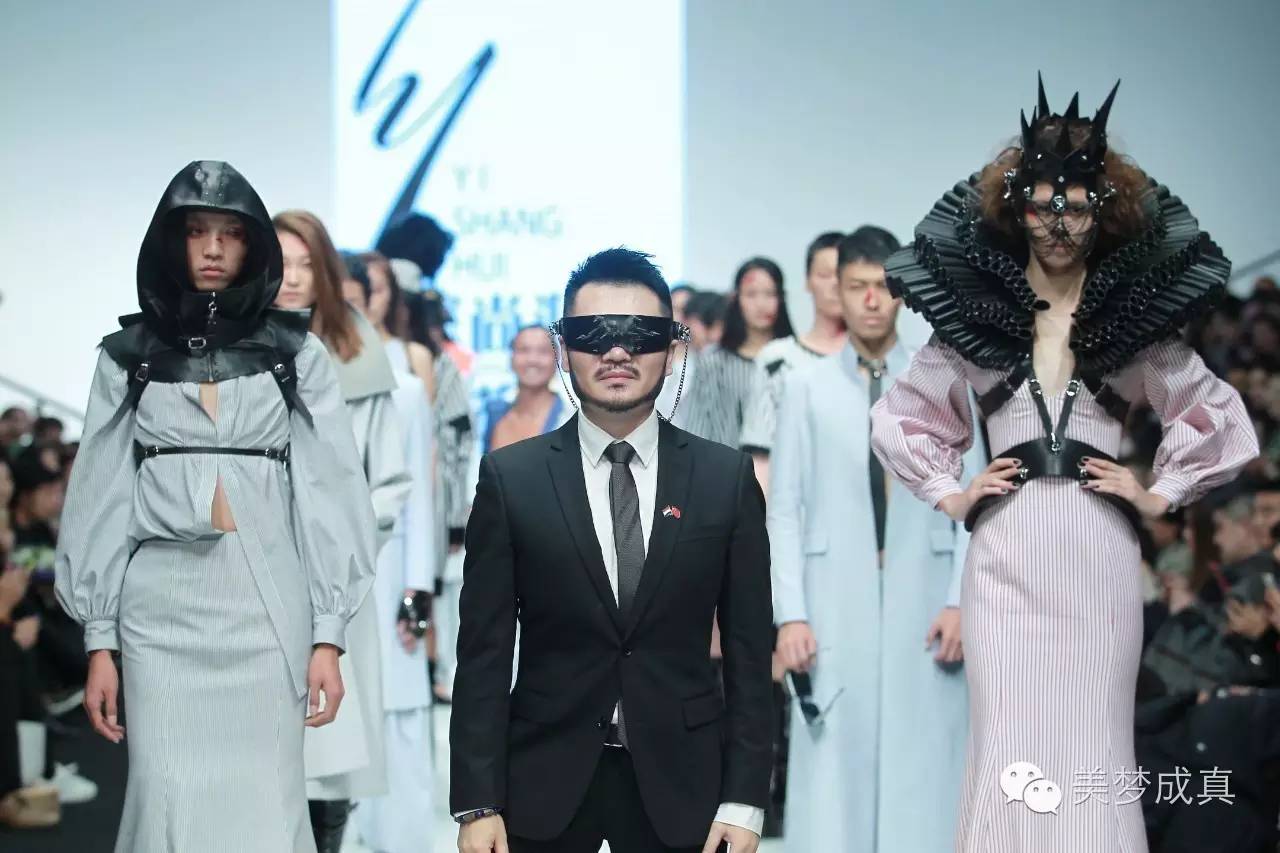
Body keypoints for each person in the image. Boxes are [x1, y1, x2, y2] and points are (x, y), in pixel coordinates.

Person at [870, 79, 1257, 851]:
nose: (1058, 223)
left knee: (1094, 744)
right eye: (1043, 204)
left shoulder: (1133, 320)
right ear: (1016, 209)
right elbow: (899, 415)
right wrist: (952, 494)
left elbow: (1219, 416)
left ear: (1102, 212)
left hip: (1098, 558)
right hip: (1003, 558)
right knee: (1007, 744)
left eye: (1076, 206)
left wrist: (1160, 493)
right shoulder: (975, 315)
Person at [54, 160, 377, 852]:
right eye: (195, 231)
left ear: (251, 244)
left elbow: (330, 490)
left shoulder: (296, 354)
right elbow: (100, 494)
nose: (211, 248)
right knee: (163, 794)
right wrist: (100, 637)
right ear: (170, 242)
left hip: (267, 607)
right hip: (159, 615)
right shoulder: (127, 357)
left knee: (268, 799)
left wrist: (329, 634)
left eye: (228, 234)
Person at [450, 248, 774, 853]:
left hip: (686, 788)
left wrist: (745, 799)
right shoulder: (510, 479)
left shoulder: (723, 479)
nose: (617, 352)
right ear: (563, 347)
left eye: (640, 334)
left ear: (671, 347)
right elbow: (483, 654)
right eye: (593, 334)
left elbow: (750, 654)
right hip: (539, 782)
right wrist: (476, 801)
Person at [770, 227, 976, 851]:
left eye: (882, 287)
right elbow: (785, 508)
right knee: (835, 764)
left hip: (925, 592)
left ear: (902, 293)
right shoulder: (803, 385)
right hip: (833, 594)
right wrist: (790, 613)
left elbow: (975, 501)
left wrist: (961, 598)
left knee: (928, 757)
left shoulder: (943, 381)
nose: (869, 300)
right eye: (856, 285)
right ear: (836, 290)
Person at [274, 209, 411, 853]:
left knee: (329, 753)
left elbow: (389, 478)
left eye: (307, 264)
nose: (293, 278)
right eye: (281, 263)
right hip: (245, 575)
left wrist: (343, 546)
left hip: (333, 581)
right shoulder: (230, 346)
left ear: (327, 271)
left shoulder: (356, 349)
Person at [343, 255, 439, 853]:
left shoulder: (405, 384)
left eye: (359, 298)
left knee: (398, 707)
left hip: (391, 564)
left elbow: (421, 490)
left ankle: (398, 840)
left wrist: (418, 585)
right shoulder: (293, 379)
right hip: (322, 573)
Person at [740, 231, 846, 488]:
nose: (834, 284)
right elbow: (760, 455)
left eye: (842, 275)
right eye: (824, 275)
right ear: (808, 281)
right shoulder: (777, 359)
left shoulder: (877, 360)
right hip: (794, 502)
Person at [685, 258, 793, 448]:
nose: (761, 304)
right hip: (724, 464)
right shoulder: (713, 363)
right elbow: (697, 430)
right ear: (736, 298)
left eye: (770, 294)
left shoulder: (795, 361)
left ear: (781, 298)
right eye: (751, 294)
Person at [482, 325, 569, 453]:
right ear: (511, 358)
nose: (532, 360)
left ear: (558, 359)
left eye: (543, 351)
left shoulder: (571, 418)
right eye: (523, 350)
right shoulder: (493, 415)